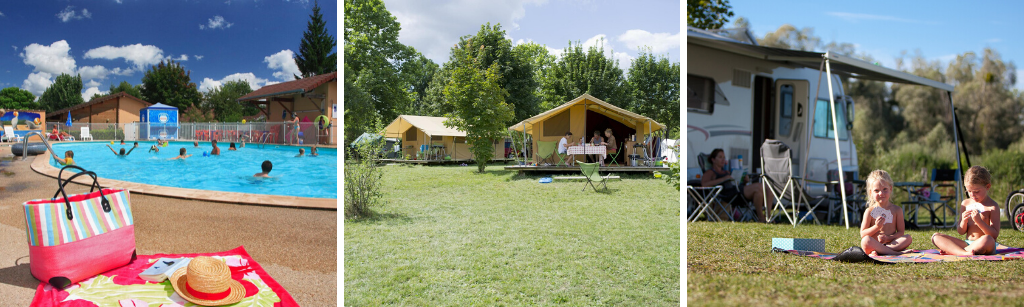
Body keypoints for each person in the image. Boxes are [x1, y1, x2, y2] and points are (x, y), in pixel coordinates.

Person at [932, 166, 1001, 256]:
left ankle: (955, 251)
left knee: (988, 239)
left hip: (983, 244)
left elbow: (994, 235)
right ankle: (964, 252)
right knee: (935, 236)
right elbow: (960, 231)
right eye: (969, 191)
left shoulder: (992, 207)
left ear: (987, 186)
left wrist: (979, 221)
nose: (972, 195)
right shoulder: (965, 203)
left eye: (976, 191)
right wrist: (963, 221)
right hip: (966, 244)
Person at [702, 148, 773, 222]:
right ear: (713, 160)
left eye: (724, 157)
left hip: (736, 191)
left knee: (767, 188)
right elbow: (704, 184)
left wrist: (744, 180)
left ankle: (768, 216)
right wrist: (723, 179)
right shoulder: (711, 172)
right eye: (720, 157)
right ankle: (761, 217)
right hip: (727, 194)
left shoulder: (726, 171)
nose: (723, 160)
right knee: (758, 187)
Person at [859, 170, 913, 256]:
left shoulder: (897, 210)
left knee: (908, 238)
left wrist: (888, 238)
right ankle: (895, 253)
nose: (881, 193)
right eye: (876, 190)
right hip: (874, 244)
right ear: (870, 192)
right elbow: (863, 234)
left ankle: (883, 251)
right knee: (865, 241)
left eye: (885, 189)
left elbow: (900, 232)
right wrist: (876, 227)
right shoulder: (869, 211)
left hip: (891, 244)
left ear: (890, 189)